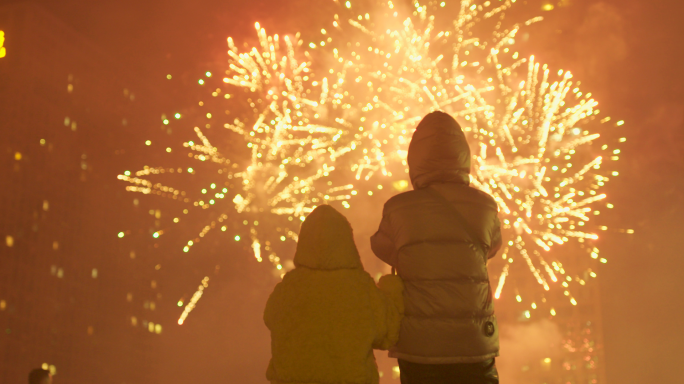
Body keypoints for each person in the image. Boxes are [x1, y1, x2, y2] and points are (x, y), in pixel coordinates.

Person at [371, 111, 502, 384]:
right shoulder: (486, 206)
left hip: (420, 346)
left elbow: (382, 247)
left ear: (415, 160)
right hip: (475, 341)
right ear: (463, 157)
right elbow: (491, 248)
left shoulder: (398, 208)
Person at [264, 204, 404, 384]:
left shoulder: (289, 286)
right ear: (347, 242)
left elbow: (270, 318)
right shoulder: (360, 287)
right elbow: (387, 334)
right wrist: (391, 287)